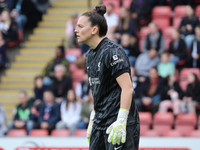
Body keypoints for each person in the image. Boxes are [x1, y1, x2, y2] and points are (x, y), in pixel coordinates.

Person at [74, 4, 140, 150]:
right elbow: (100, 90)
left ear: (94, 30)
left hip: (118, 123)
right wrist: (93, 116)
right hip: (100, 121)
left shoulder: (113, 52)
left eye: (80, 26)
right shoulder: (89, 55)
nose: (75, 30)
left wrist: (121, 121)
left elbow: (128, 88)